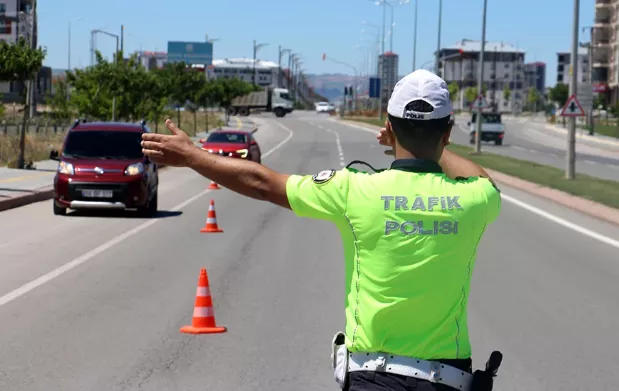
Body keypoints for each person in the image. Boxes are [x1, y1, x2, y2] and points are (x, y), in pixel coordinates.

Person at [140, 69, 501, 391]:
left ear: (388, 127)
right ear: (448, 132)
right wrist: (434, 150)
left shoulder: (354, 190)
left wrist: (193, 156)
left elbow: (262, 183)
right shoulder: (474, 200)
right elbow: (482, 178)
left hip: (373, 378)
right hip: (449, 381)